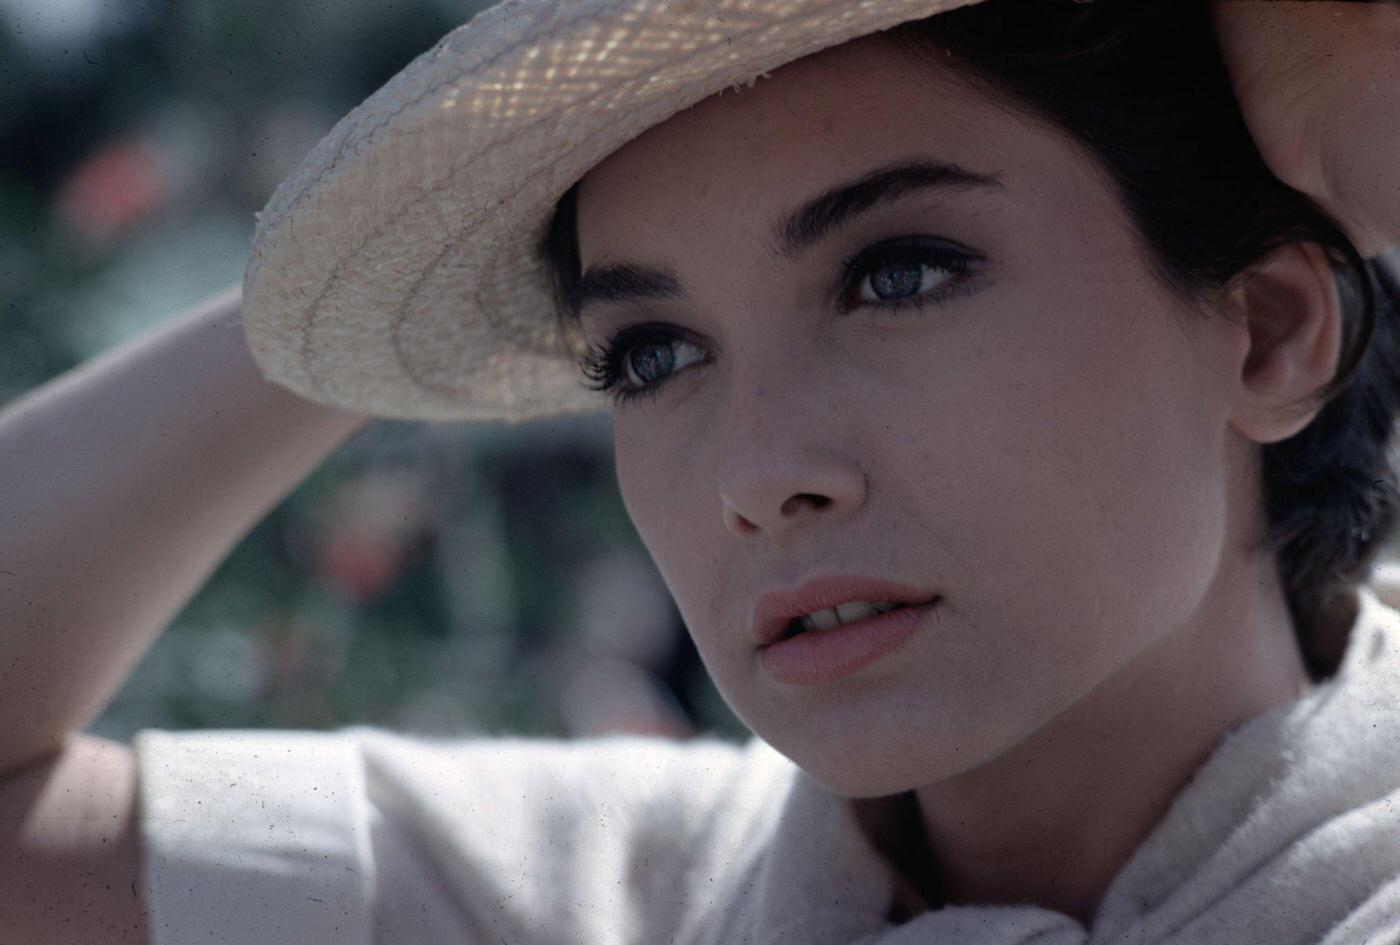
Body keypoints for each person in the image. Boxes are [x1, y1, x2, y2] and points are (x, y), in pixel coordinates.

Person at [3, 0, 1400, 942]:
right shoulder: (635, 890)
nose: (756, 473)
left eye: (899, 273)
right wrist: (346, 290)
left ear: (1271, 329)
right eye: (654, 354)